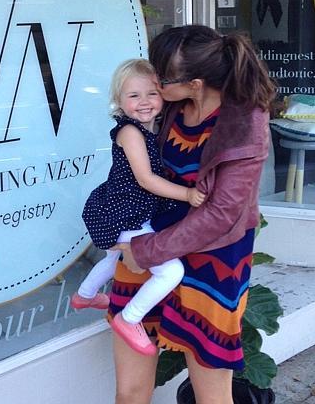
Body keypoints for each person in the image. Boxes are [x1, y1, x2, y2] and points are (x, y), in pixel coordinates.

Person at [109, 25, 275, 404]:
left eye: (160, 76)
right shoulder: (165, 108)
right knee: (130, 389)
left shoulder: (244, 123)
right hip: (146, 246)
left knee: (211, 395)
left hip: (211, 262)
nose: (152, 81)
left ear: (194, 83)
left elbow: (221, 213)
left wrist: (148, 249)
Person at [72, 59, 206, 356]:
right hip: (126, 217)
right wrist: (188, 194)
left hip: (122, 212)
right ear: (118, 102)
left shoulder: (148, 130)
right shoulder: (130, 133)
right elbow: (146, 179)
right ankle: (129, 319)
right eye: (134, 96)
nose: (144, 102)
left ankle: (84, 296)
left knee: (112, 259)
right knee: (171, 272)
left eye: (151, 94)